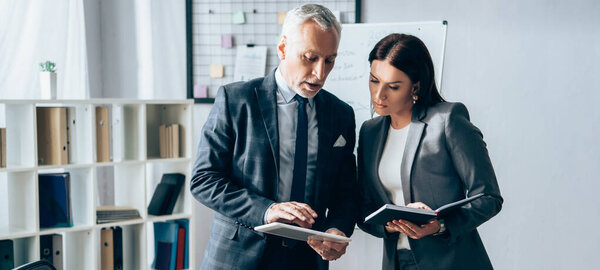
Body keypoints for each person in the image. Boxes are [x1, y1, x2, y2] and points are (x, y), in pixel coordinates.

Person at [191, 4, 358, 270]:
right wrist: (267, 210)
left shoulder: (341, 114)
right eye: (310, 57)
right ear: (283, 48)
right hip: (238, 257)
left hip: (307, 260)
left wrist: (337, 229)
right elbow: (203, 180)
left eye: (329, 60)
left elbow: (346, 191)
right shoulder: (236, 100)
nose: (320, 73)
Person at [356, 33, 503, 270]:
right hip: (397, 262)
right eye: (374, 80)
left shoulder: (447, 120)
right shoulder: (369, 132)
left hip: (452, 262)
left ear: (415, 86)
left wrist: (439, 224)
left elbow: (489, 198)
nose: (378, 95)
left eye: (393, 86)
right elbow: (364, 208)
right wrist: (389, 225)